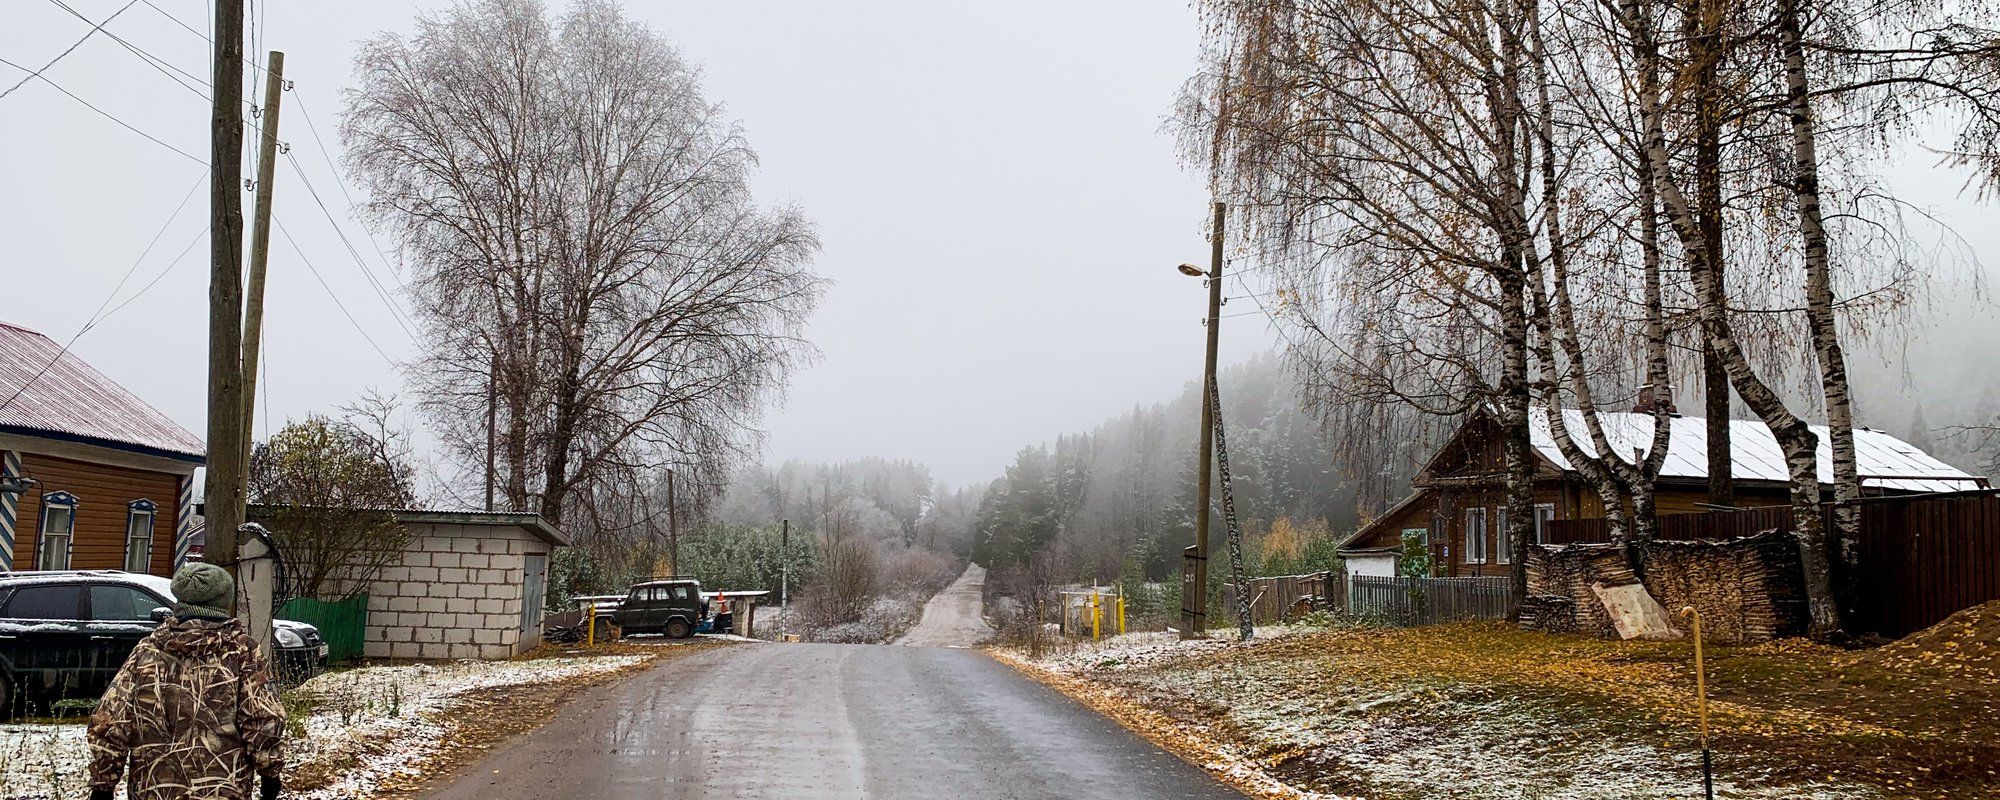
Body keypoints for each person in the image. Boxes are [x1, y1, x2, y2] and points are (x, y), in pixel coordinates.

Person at [87, 562, 286, 800]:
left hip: (154, 790)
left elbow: (110, 720)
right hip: (222, 790)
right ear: (224, 603)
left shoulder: (147, 651)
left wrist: (103, 785)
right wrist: (270, 774)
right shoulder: (241, 651)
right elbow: (262, 718)